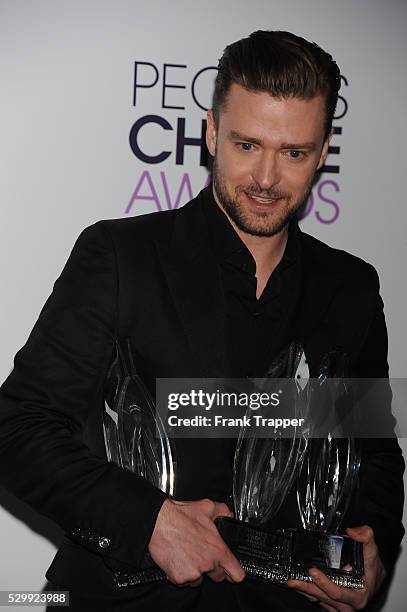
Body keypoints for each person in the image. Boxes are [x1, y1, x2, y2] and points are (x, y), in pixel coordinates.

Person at [0, 30, 404, 611]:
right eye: (246, 145)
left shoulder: (351, 288)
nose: (266, 178)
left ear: (323, 150)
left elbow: (374, 453)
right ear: (211, 132)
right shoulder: (120, 257)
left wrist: (375, 544)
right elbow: (19, 430)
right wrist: (150, 522)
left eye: (293, 153)